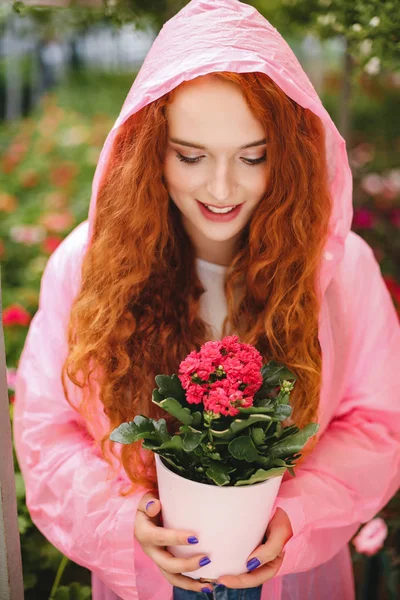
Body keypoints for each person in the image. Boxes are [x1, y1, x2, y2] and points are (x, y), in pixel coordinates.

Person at [12, 1, 400, 599]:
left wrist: (298, 513)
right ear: (148, 150)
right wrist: (124, 520)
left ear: (288, 156)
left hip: (294, 580)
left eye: (253, 157)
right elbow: (48, 427)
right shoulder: (87, 266)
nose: (221, 189)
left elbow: (378, 423)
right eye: (191, 156)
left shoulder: (340, 269)